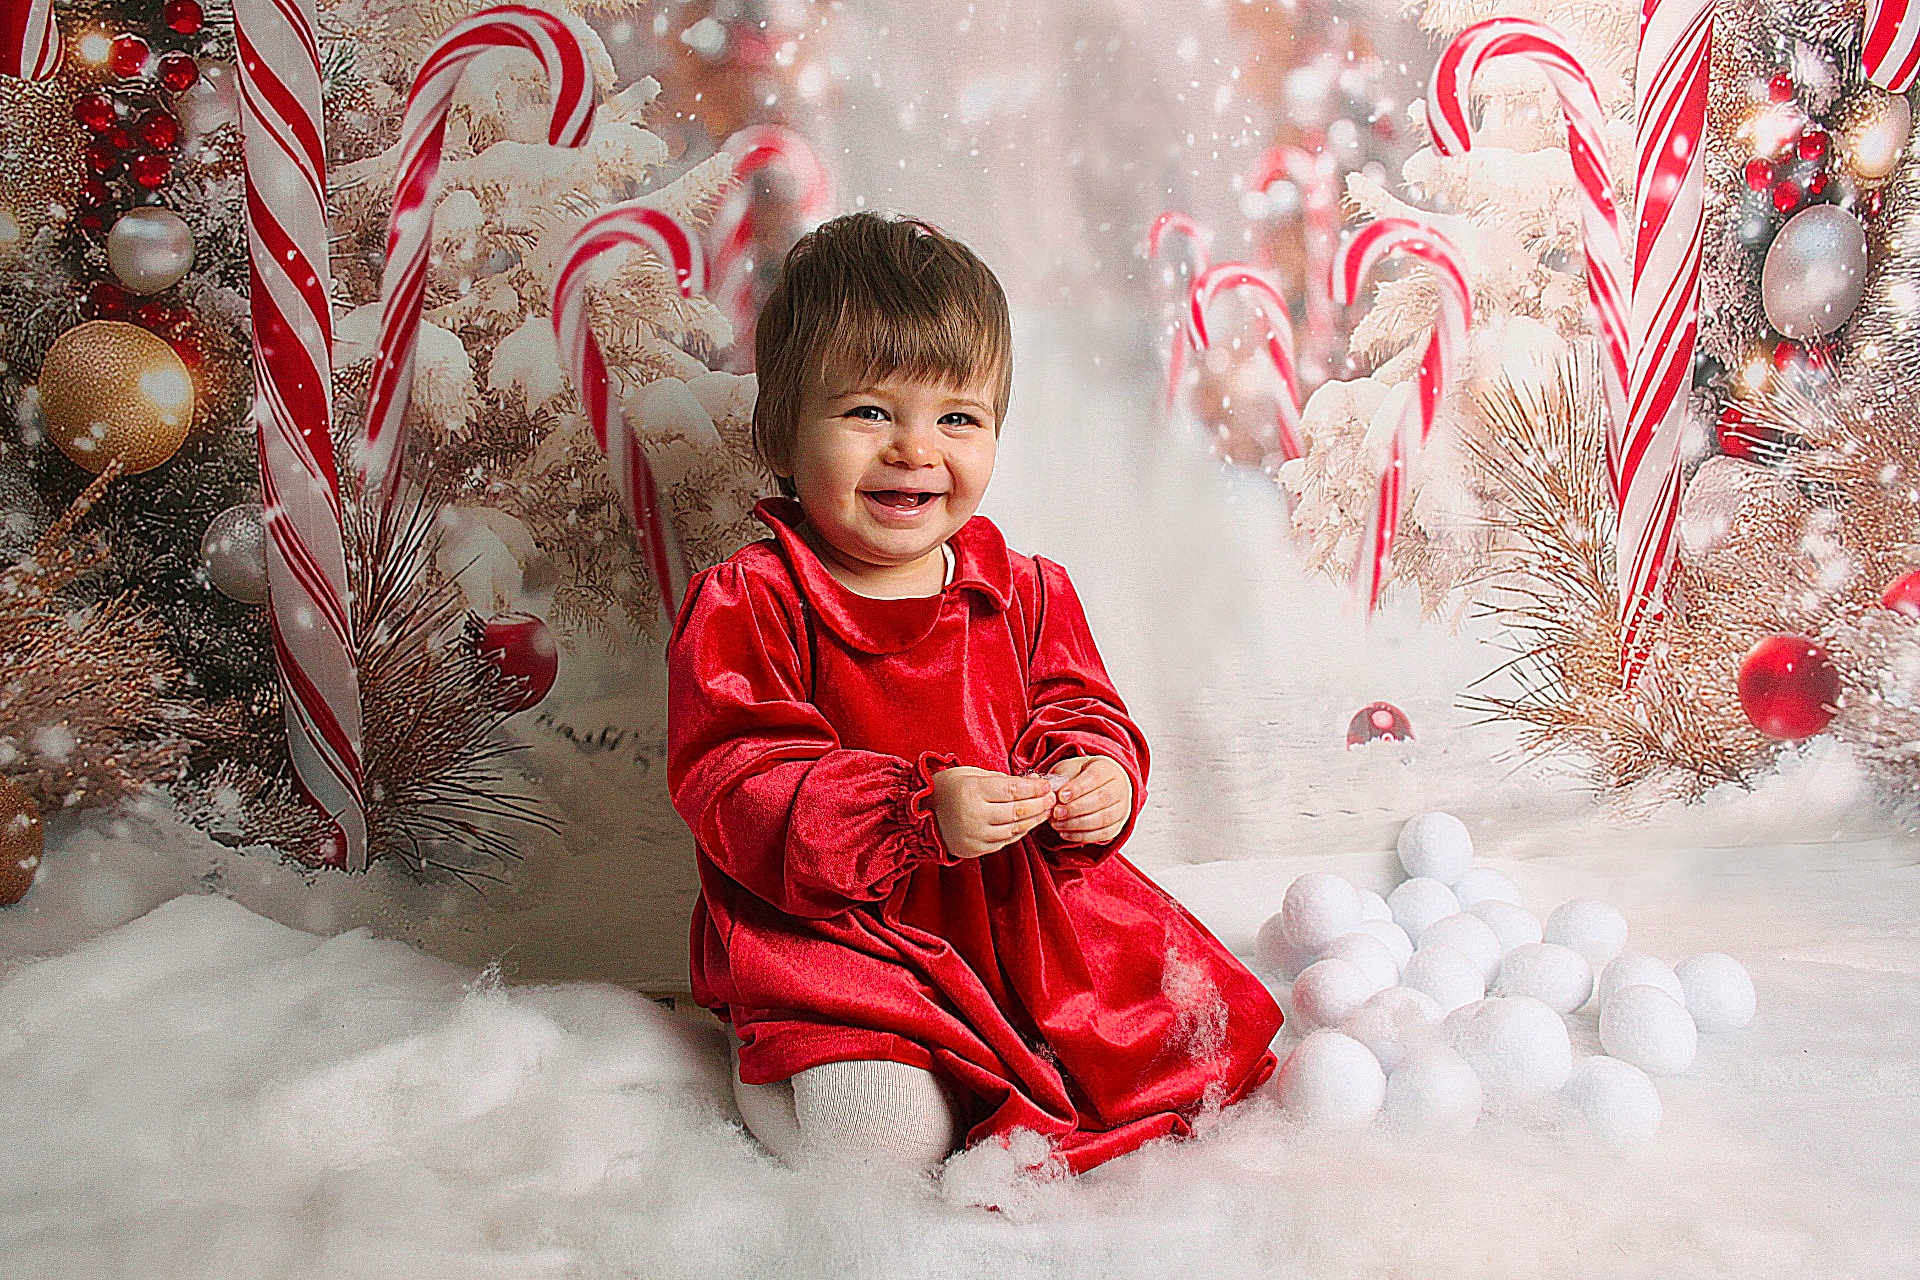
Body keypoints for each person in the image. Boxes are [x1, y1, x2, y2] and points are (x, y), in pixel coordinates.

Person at [665, 211, 1283, 1180]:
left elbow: (1080, 707)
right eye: (870, 411)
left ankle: (986, 1065)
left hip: (1016, 929)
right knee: (888, 1138)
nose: (916, 448)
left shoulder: (1027, 588)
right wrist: (911, 813)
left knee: (1194, 1048)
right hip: (845, 945)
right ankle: (780, 1059)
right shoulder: (753, 599)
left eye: (958, 416)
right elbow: (736, 779)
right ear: (782, 429)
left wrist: (1096, 776)